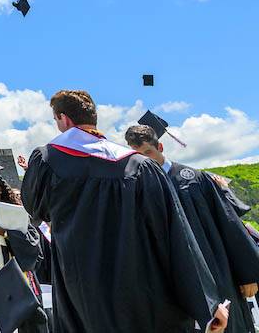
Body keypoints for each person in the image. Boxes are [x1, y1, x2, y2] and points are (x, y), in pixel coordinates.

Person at [21, 90, 229, 332]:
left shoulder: (46, 161)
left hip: (80, 292)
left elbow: (35, 209)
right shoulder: (138, 166)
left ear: (63, 119)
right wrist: (207, 306)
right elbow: (173, 234)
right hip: (138, 291)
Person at [124, 125, 259, 332]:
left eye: (149, 153)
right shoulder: (139, 189)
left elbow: (228, 224)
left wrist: (249, 273)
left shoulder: (195, 179)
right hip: (173, 281)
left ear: (160, 146)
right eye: (139, 156)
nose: (146, 161)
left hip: (214, 271)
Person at [0, 165, 47, 333]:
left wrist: (4, 232)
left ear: (0, 188)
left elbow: (32, 241)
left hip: (13, 268)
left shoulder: (13, 210)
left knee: (24, 312)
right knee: (1, 317)